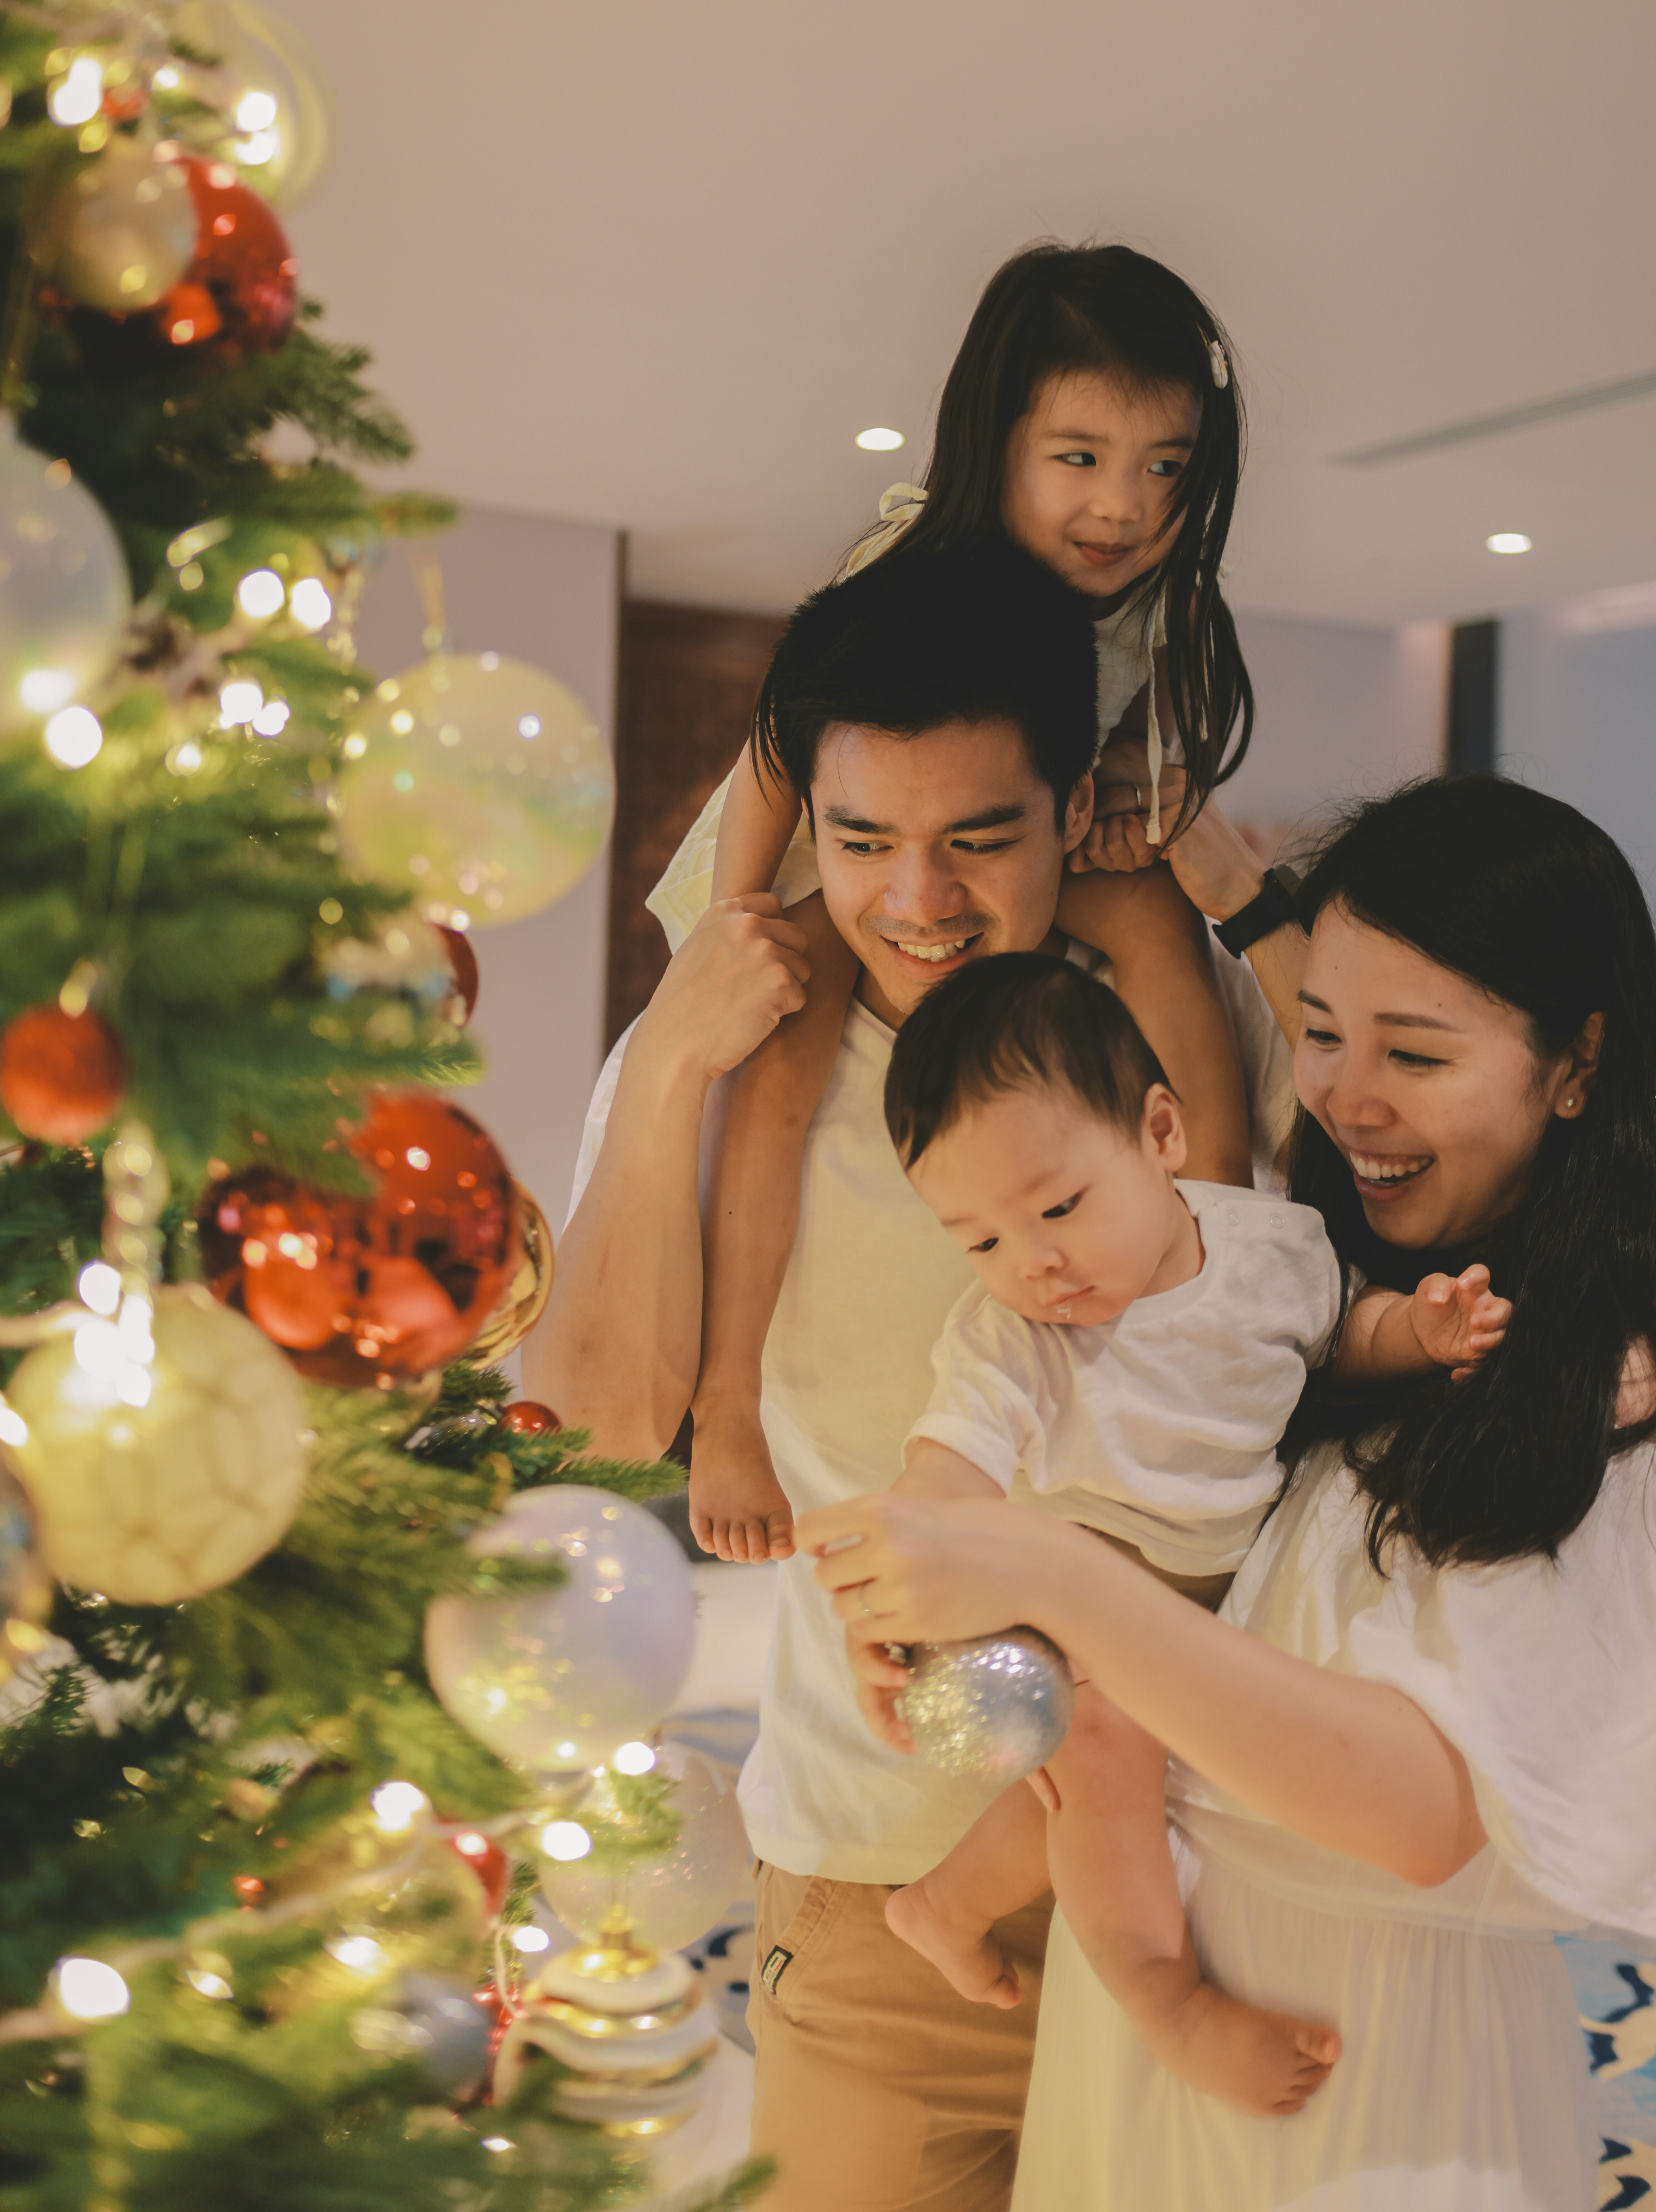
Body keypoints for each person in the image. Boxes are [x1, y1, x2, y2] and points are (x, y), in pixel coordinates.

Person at [802, 773, 1656, 2212]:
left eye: (1415, 1053)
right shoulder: (1318, 1271)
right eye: (1318, 1030)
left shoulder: (1623, 1350)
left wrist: (1053, 1578)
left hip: (1371, 2080)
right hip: (1153, 2031)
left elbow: (1429, 1811)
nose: (1345, 1096)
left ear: (1575, 1062)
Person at [523, 537, 1287, 2212]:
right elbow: (585, 1424)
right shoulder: (746, 1051)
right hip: (877, 1889)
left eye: (978, 841)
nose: (916, 903)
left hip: (1209, 1892)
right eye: (862, 843)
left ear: (1070, 807)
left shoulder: (1176, 1026)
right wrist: (664, 1056)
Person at [654, 241, 1267, 1562]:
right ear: (994, 442)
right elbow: (781, 748)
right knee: (783, 1059)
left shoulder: (1156, 602)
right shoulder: (916, 558)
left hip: (1037, 850)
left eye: (1165, 467)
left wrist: (1128, 815)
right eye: (1080, 457)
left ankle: (1216, 1265)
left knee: (1160, 929)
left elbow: (1156, 763)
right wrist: (744, 911)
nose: (1121, 503)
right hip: (850, 859)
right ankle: (723, 1398)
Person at [876, 949, 1343, 2116]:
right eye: (977, 1241)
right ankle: (1165, 1998)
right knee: (1109, 1751)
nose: (1028, 1263)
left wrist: (1418, 1337)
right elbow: (946, 1469)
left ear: (1163, 1136)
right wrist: (902, 1583)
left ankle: (940, 1903)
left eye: (1058, 1208)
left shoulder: (1274, 1251)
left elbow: (1341, 1341)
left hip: (1234, 1585)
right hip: (1080, 1606)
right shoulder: (1014, 1339)